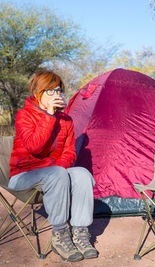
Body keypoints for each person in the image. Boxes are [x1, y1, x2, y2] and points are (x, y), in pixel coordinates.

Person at [8, 70, 98, 262]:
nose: (57, 94)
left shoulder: (66, 120)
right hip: (24, 175)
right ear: (37, 92)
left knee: (82, 173)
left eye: (59, 90)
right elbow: (35, 147)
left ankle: (80, 233)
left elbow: (69, 153)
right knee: (57, 173)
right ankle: (59, 234)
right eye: (50, 90)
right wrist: (49, 115)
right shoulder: (24, 115)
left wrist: (59, 169)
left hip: (54, 175)